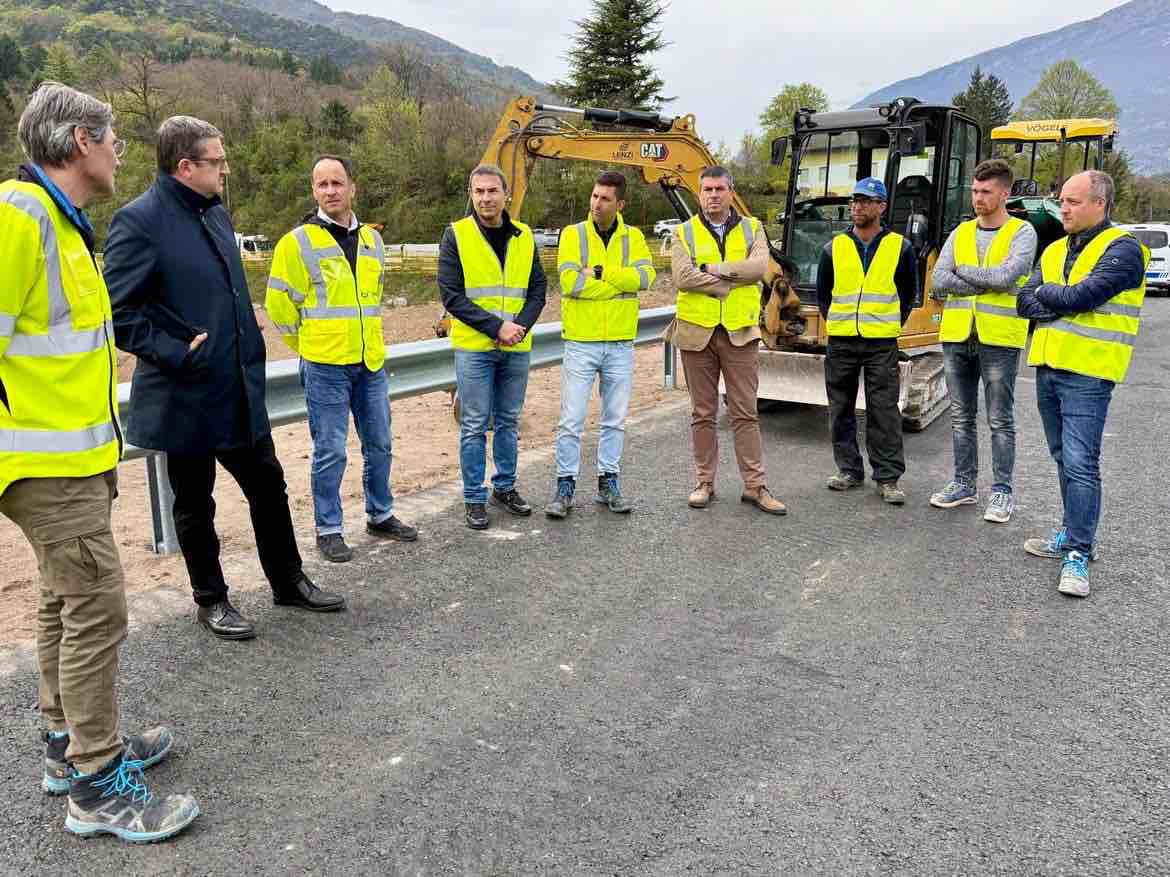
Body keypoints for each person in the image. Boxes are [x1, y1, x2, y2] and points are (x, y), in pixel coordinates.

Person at [0, 82, 199, 843]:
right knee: (98, 608)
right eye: (113, 138)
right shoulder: (21, 220)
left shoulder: (63, 220)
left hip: (72, 456)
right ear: (81, 140)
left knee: (62, 600)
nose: (120, 152)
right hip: (41, 463)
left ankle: (66, 743)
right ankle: (96, 781)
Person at [105, 116, 346, 641]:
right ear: (185, 166)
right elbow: (121, 314)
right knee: (195, 503)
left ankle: (288, 581)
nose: (224, 168)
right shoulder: (138, 222)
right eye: (216, 160)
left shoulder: (215, 215)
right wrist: (178, 351)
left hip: (236, 388)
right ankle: (211, 600)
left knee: (269, 484)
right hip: (185, 392)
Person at [265, 155, 417, 563]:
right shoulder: (296, 243)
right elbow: (279, 307)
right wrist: (312, 345)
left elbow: (373, 301)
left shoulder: (372, 240)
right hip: (324, 366)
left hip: (369, 364)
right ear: (314, 191)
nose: (330, 191)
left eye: (337, 182)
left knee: (380, 445)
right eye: (322, 184)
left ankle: (380, 513)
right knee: (331, 450)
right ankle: (328, 528)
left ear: (353, 188)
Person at [1017, 170, 1148, 598]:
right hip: (1049, 366)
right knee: (1061, 457)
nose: (1063, 208)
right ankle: (1071, 533)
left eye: (1073, 201)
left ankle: (1078, 551)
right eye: (1062, 200)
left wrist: (1051, 294)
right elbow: (1024, 301)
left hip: (1089, 373)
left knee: (1080, 462)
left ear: (1100, 203)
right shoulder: (1055, 247)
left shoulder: (1125, 249)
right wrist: (1060, 296)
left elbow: (1082, 297)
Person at [666, 166, 787, 515]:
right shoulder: (684, 232)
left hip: (740, 334)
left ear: (731, 192)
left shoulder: (752, 228)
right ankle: (704, 482)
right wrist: (727, 282)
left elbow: (758, 268)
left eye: (719, 188)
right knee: (702, 413)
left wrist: (713, 269)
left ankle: (755, 485)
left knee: (745, 412)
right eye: (707, 189)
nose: (713, 195)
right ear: (699, 194)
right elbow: (682, 277)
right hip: (696, 333)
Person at [438, 164, 546, 530]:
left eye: (492, 191)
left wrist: (519, 328)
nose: (485, 198)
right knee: (472, 425)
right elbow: (451, 296)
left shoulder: (524, 236)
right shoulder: (457, 235)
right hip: (474, 347)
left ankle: (505, 486)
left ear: (506, 195)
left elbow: (537, 290)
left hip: (516, 345)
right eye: (479, 191)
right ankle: (474, 497)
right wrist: (497, 327)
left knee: (508, 422)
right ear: (471, 194)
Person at [929, 159, 1038, 522]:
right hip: (958, 335)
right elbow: (938, 281)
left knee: (999, 420)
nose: (977, 198)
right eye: (974, 190)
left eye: (985, 192)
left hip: (998, 338)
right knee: (961, 417)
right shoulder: (959, 233)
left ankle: (1002, 492)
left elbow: (1009, 276)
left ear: (1004, 193)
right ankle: (964, 484)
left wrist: (962, 271)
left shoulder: (1022, 232)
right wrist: (985, 278)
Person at [545, 170, 655, 519]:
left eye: (605, 198)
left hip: (621, 342)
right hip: (581, 341)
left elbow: (644, 278)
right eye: (594, 196)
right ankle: (565, 487)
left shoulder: (634, 237)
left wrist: (598, 273)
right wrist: (616, 280)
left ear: (620, 203)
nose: (597, 203)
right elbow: (568, 283)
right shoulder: (572, 235)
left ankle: (609, 483)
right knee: (571, 419)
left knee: (614, 419)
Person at [816, 177, 918, 504]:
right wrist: (837, 323)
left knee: (883, 411)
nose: (857, 206)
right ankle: (848, 469)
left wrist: (886, 325)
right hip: (842, 341)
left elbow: (907, 295)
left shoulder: (900, 248)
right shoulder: (833, 248)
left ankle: (887, 478)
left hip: (881, 343)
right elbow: (823, 296)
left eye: (865, 201)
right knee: (840, 408)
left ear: (881, 207)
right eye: (854, 201)